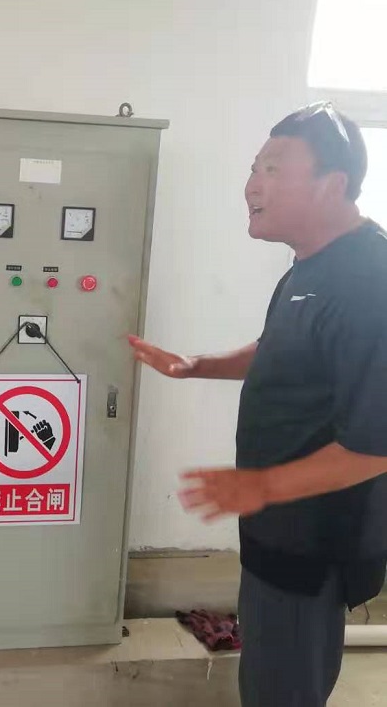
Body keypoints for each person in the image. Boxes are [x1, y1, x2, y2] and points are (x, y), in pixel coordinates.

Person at [130, 102, 387, 707]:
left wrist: (260, 486)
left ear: (332, 185)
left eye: (273, 169)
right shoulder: (309, 268)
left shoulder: (369, 279)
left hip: (313, 548)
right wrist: (198, 365)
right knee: (267, 682)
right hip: (272, 536)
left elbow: (375, 445)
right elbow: (283, 347)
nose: (252, 185)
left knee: (283, 692)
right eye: (253, 168)